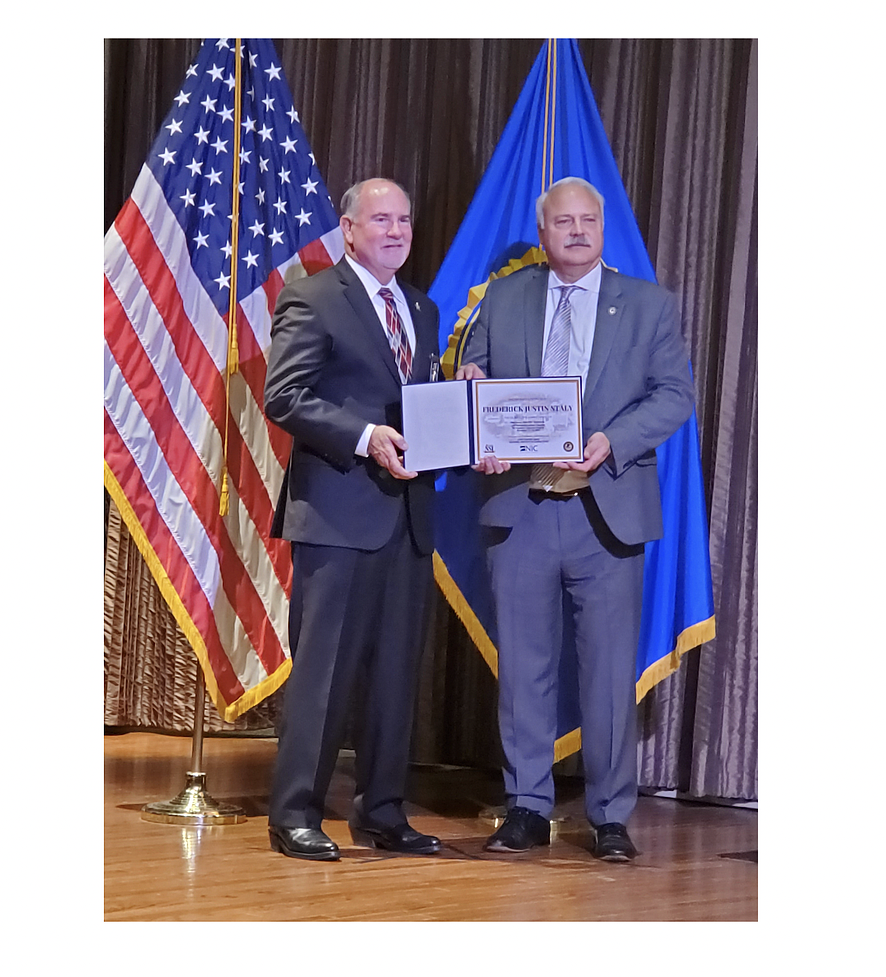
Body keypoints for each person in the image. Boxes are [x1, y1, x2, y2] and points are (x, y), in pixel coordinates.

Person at [456, 176, 695, 862]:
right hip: (522, 509)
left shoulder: (648, 305)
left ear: (603, 227)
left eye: (589, 220)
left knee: (609, 674)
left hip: (607, 510)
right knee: (525, 667)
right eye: (565, 222)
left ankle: (611, 816)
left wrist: (614, 439)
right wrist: (478, 408)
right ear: (544, 232)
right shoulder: (503, 296)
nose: (579, 231)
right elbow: (473, 375)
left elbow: (675, 394)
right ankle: (527, 807)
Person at [263, 177, 443, 861]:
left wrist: (469, 409)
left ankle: (384, 812)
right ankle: (295, 813)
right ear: (348, 229)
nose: (396, 231)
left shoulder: (421, 309)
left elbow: (423, 404)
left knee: (396, 676)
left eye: (404, 219)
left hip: (408, 518)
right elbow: (286, 396)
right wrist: (366, 436)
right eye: (381, 220)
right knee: (325, 673)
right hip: (337, 515)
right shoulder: (313, 297)